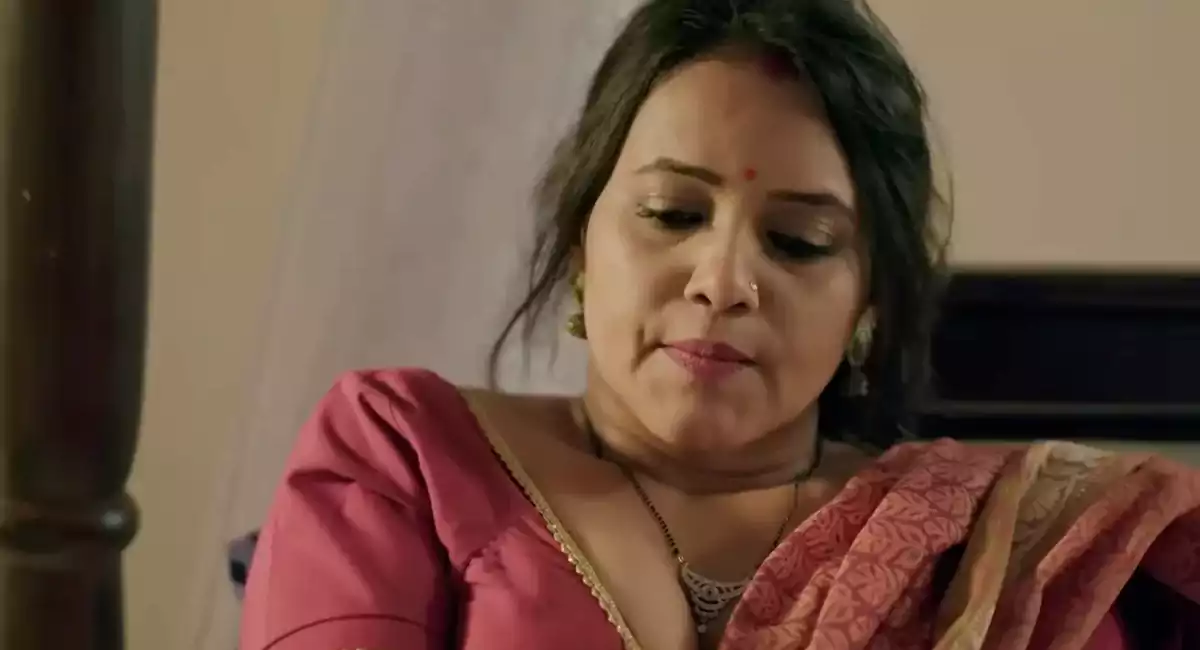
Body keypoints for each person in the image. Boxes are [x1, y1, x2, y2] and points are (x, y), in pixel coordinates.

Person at [239, 1, 1200, 648]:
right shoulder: (408, 455)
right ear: (582, 241)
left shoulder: (998, 552)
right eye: (672, 214)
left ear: (867, 301)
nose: (724, 281)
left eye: (798, 241)